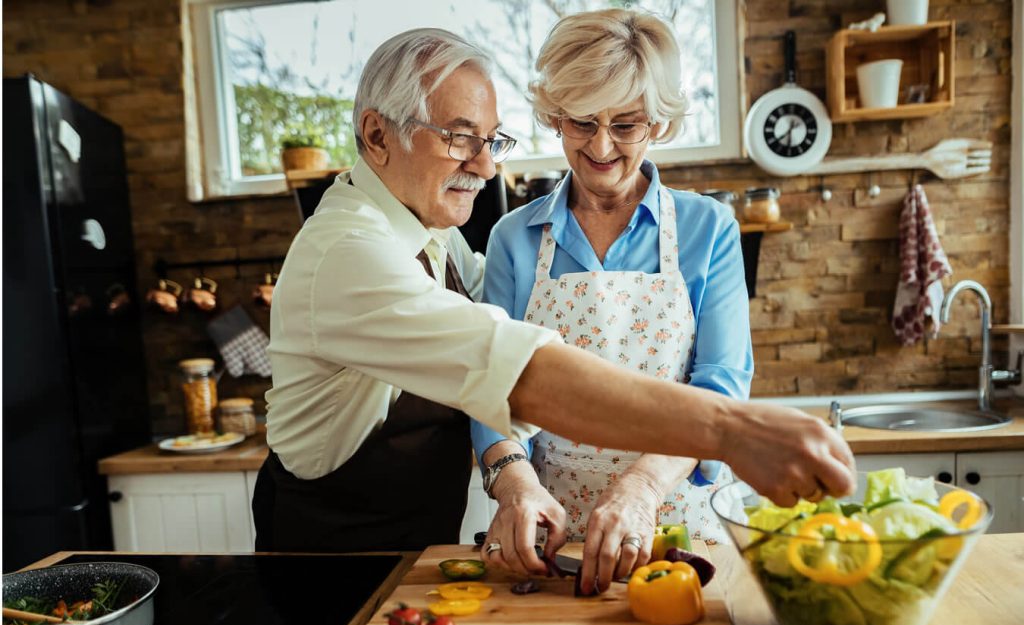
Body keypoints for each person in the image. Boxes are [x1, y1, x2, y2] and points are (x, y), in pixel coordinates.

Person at [252, 27, 855, 561]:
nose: (487, 169)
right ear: (376, 136)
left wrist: (647, 482)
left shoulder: (437, 237)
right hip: (333, 562)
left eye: (491, 139)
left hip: (428, 548)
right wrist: (733, 432)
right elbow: (514, 374)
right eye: (460, 137)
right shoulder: (354, 253)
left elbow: (717, 372)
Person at [471, 8, 754, 593]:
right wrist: (514, 484)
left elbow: (721, 388)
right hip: (550, 536)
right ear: (554, 116)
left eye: (625, 125)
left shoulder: (709, 229)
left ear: (659, 124)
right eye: (580, 122)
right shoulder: (514, 239)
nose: (600, 147)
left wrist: (641, 489)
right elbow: (490, 390)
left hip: (675, 527)